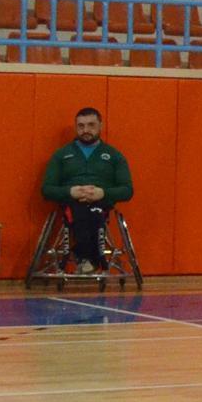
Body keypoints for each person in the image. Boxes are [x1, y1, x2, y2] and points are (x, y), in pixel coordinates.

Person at [40, 106, 132, 275]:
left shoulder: (114, 156)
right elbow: (47, 189)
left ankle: (85, 258)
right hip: (72, 204)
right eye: (81, 126)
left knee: (93, 210)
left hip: (101, 204)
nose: (86, 130)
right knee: (81, 208)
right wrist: (70, 192)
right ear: (76, 127)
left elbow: (127, 190)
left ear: (100, 126)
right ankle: (92, 259)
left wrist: (103, 193)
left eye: (91, 125)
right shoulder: (61, 155)